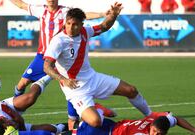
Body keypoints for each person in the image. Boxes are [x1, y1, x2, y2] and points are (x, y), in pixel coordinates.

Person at [9, 0, 116, 130]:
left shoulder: (65, 11)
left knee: (72, 87)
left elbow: (84, 15)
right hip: (43, 57)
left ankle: (82, 115)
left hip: (64, 58)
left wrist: (102, 14)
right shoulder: (40, 10)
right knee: (22, 83)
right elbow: (21, 5)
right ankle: (14, 112)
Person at [43, 3, 152, 129]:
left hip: (93, 79)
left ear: (81, 25)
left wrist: (113, 15)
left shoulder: (85, 31)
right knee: (95, 122)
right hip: (76, 89)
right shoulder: (58, 41)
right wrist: (63, 79)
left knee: (131, 90)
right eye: (68, 24)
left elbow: (104, 26)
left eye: (75, 24)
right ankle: (98, 109)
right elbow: (46, 67)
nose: (71, 27)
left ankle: (150, 115)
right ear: (65, 23)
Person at [0, 75, 67, 135]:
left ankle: (48, 76)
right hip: (13, 131)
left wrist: (23, 131)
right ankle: (61, 127)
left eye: (7, 121)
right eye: (8, 123)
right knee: (51, 129)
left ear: (2, 118)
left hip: (10, 107)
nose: (9, 121)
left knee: (31, 98)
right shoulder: (0, 130)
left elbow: (19, 119)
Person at [61, 111, 195, 135]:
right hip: (104, 132)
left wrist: (193, 129)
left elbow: (177, 119)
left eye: (159, 134)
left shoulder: (154, 120)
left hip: (111, 124)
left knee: (73, 127)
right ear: (152, 125)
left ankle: (60, 126)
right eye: (154, 132)